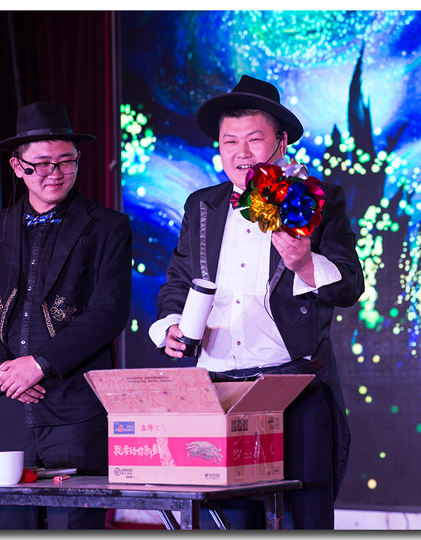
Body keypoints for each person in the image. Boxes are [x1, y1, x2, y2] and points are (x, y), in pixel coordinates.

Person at [149, 75, 364, 529]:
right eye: (230, 141)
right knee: (229, 522)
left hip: (293, 387)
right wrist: (170, 326)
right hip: (217, 391)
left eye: (254, 139)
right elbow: (179, 280)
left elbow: (349, 285)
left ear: (281, 143)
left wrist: (305, 264)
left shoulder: (315, 198)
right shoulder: (202, 205)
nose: (241, 152)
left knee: (305, 522)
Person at [0, 102, 132, 529]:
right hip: (9, 410)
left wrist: (39, 364)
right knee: (9, 526)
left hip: (75, 410)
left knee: (75, 526)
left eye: (66, 162)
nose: (54, 173)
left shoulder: (107, 226)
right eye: (41, 164)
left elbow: (109, 312)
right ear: (18, 167)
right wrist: (1, 370)